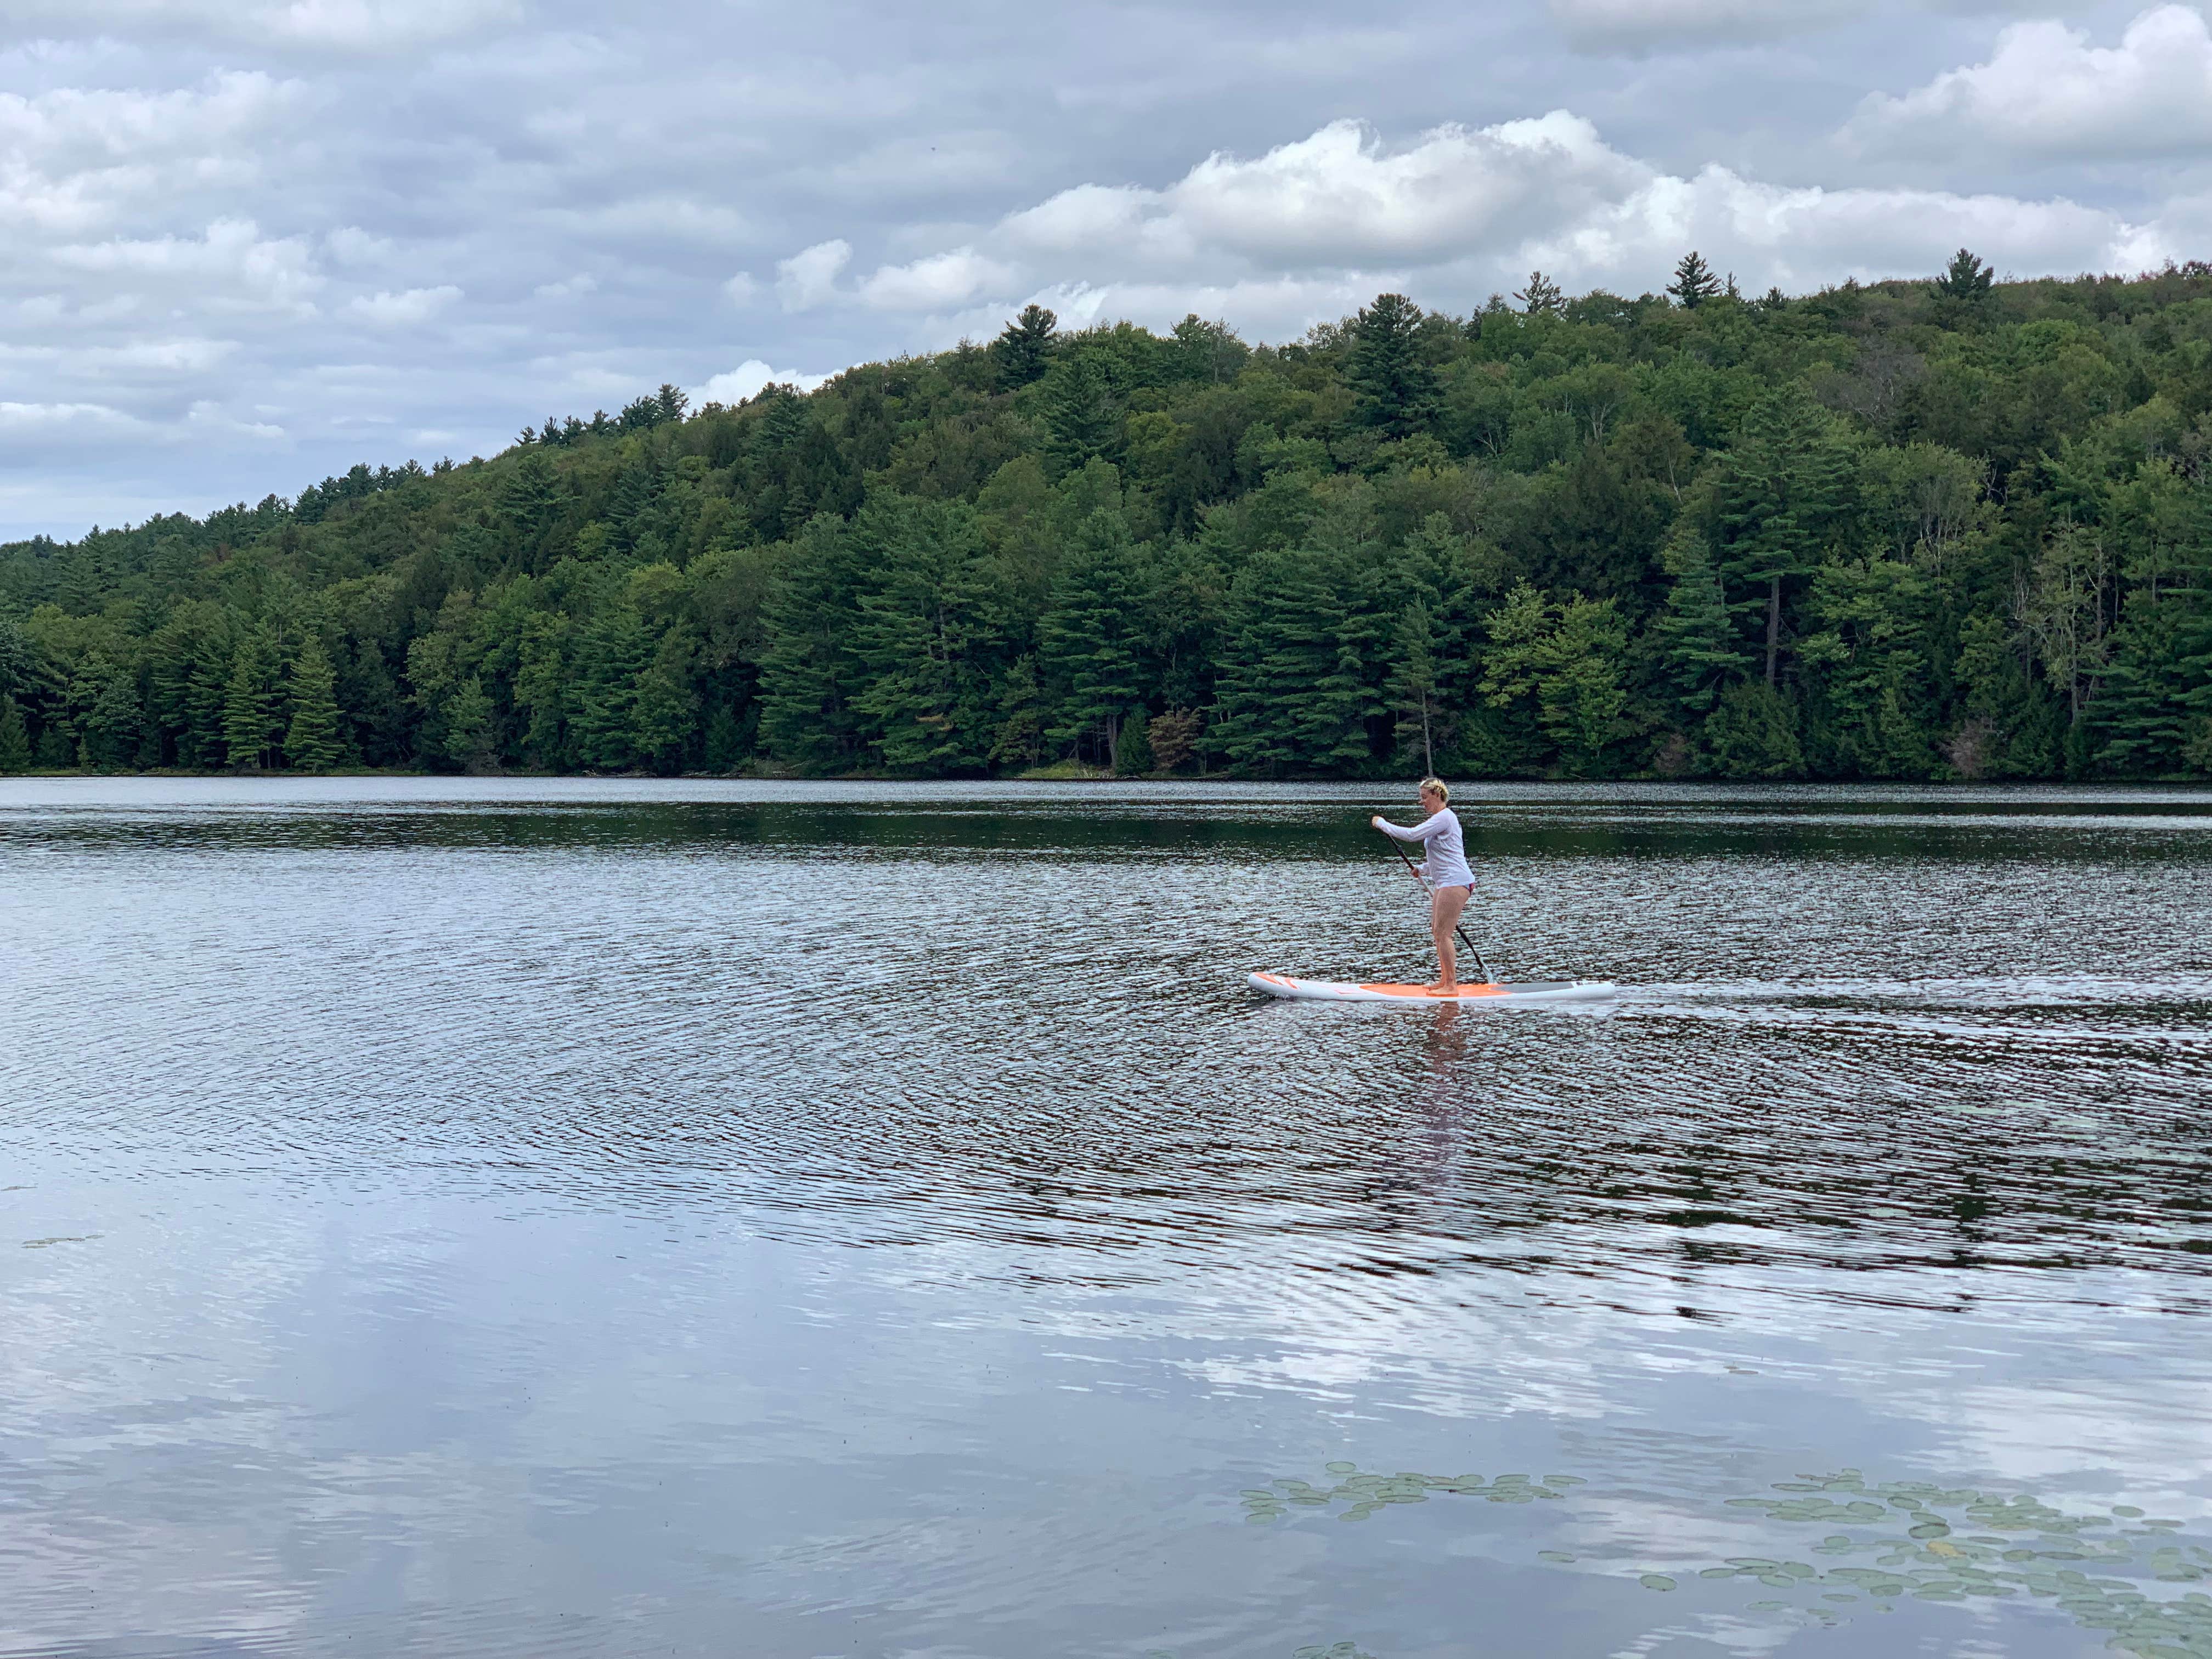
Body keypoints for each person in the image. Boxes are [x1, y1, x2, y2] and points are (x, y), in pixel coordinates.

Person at [1371, 777, 1477, 994]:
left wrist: (1382, 824)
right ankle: (1444, 980)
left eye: (1424, 797)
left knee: (1444, 933)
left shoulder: (1445, 817)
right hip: (1446, 881)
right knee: (1437, 932)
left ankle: (1451, 986)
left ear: (1437, 795)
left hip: (1456, 881)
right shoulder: (1441, 820)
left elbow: (1412, 835)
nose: (1421, 802)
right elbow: (1446, 856)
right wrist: (1422, 869)